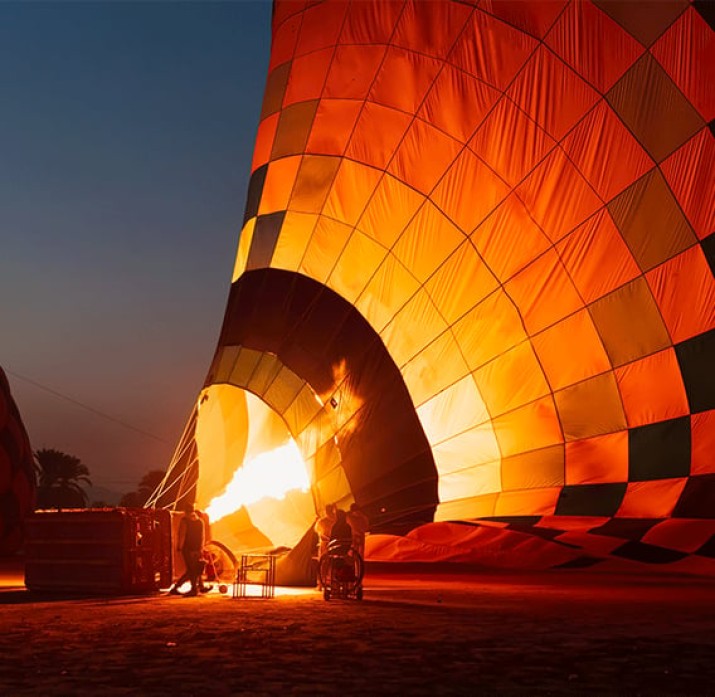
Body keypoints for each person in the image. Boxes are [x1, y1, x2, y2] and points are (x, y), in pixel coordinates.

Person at [169, 503, 207, 596]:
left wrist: (179, 547)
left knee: (191, 570)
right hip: (197, 549)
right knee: (196, 569)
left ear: (185, 511)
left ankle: (193, 589)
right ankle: (199, 587)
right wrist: (201, 548)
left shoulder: (185, 521)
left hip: (188, 549)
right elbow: (202, 536)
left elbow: (182, 535)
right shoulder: (200, 521)